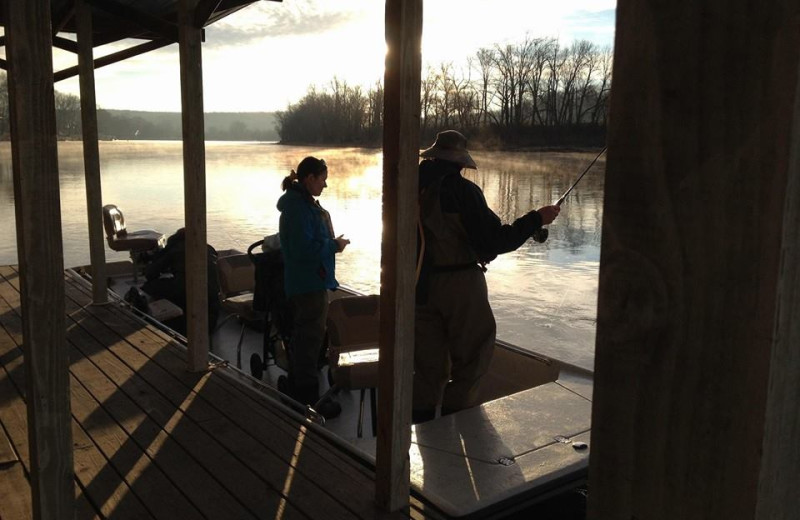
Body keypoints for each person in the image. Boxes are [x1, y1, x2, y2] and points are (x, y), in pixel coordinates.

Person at [413, 130, 561, 423]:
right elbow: (494, 242)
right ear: (459, 161)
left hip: (417, 286)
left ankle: (422, 431)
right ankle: (460, 424)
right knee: (473, 357)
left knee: (427, 367)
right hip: (460, 286)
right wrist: (536, 219)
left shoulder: (407, 186)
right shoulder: (462, 191)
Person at [277, 156, 350, 419]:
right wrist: (334, 245)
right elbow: (302, 249)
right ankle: (308, 399)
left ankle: (297, 388)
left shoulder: (303, 205)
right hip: (307, 285)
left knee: (307, 338)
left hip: (310, 282)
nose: (325, 185)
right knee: (309, 340)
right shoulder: (298, 209)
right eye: (322, 179)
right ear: (309, 179)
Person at [141, 228, 220, 335]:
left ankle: (159, 314)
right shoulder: (209, 248)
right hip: (211, 300)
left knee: (148, 287)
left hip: (186, 292)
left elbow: (150, 273)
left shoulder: (175, 249)